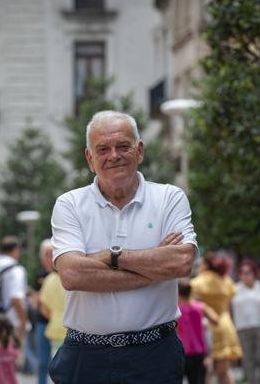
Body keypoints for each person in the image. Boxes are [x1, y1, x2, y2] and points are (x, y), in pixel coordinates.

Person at [49, 111, 197, 383]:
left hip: (154, 354)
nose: (113, 155)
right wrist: (152, 268)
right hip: (85, 356)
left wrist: (109, 256)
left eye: (123, 146)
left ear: (139, 150)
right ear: (90, 158)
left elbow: (180, 263)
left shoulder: (169, 198)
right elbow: (72, 275)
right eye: (103, 149)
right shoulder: (69, 204)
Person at [191, 253, 242, 384]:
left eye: (200, 264)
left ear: (206, 265)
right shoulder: (226, 281)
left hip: (206, 328)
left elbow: (193, 304)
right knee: (224, 372)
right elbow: (229, 304)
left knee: (206, 372)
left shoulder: (197, 282)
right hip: (225, 326)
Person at [177, 278, 219, 384]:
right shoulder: (200, 307)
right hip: (199, 352)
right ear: (191, 292)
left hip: (182, 353)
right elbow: (215, 319)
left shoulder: (177, 311)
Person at [39, 245, 66, 356]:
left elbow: (44, 308)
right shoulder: (75, 278)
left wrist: (56, 317)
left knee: (57, 363)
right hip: (74, 329)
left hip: (55, 328)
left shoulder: (49, 279)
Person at [32, 240, 53, 384]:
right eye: (47, 254)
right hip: (43, 323)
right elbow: (35, 302)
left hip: (61, 325)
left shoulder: (64, 273)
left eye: (52, 253)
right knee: (42, 362)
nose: (50, 257)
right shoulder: (39, 276)